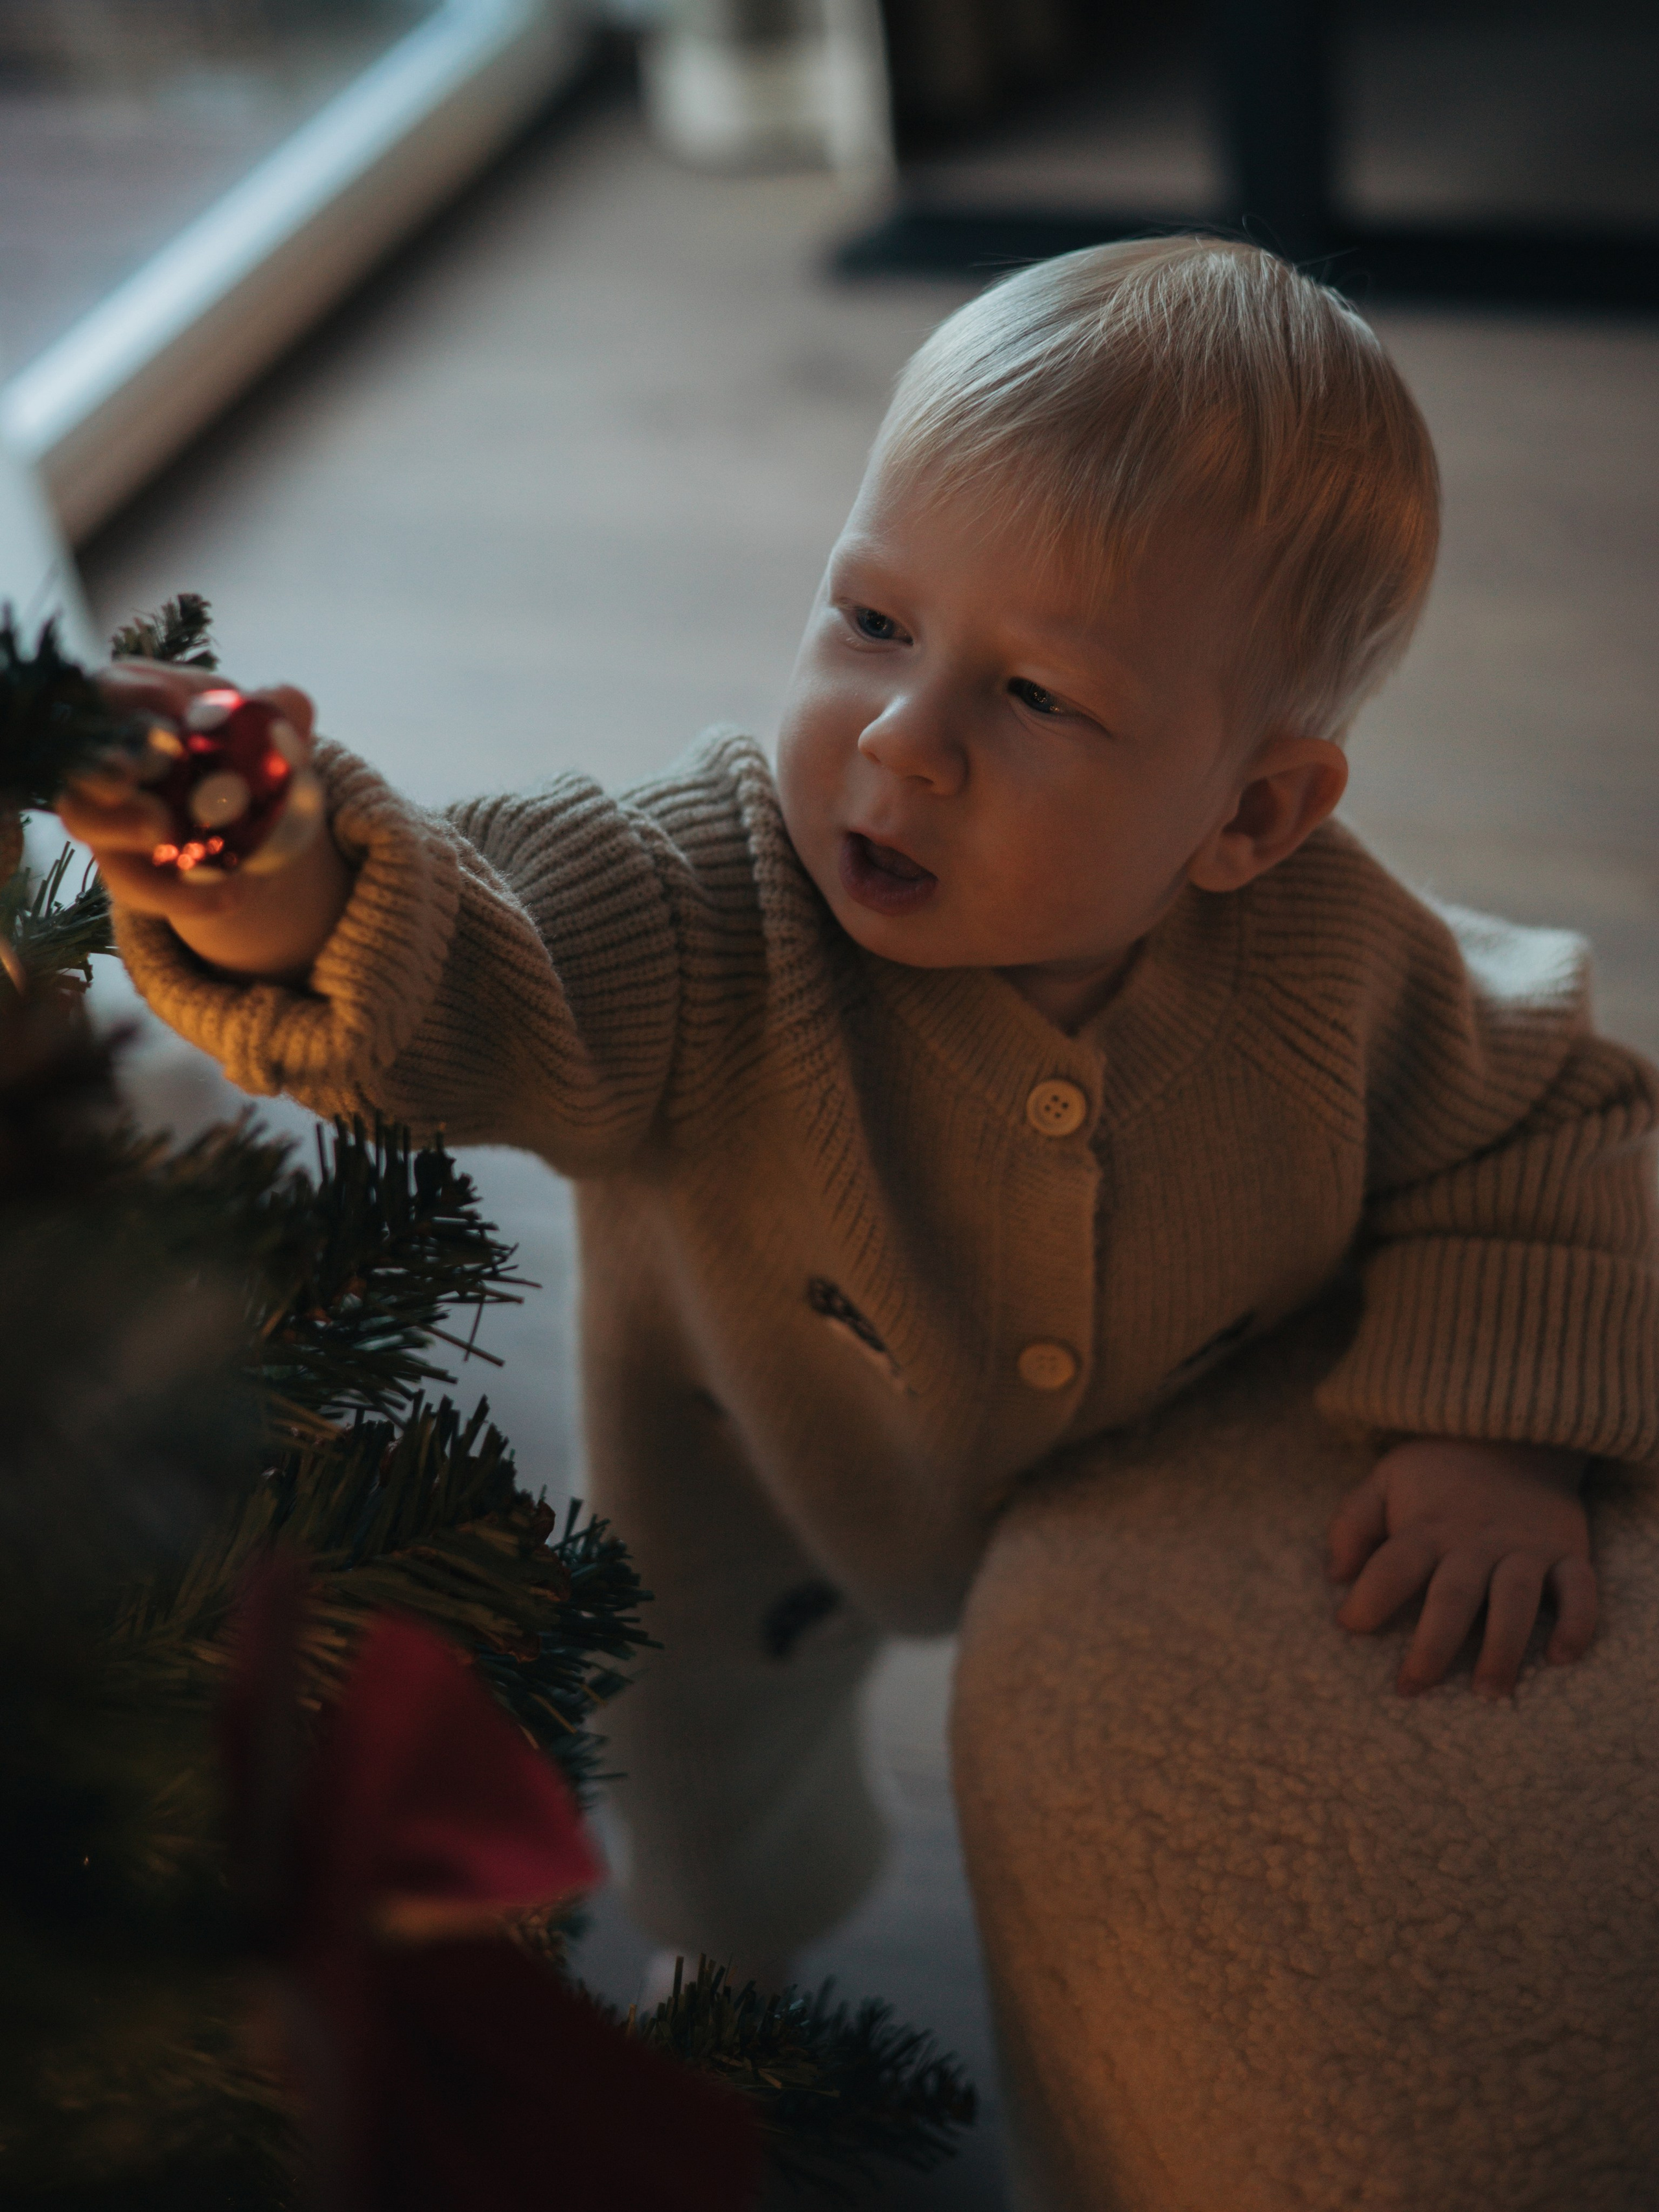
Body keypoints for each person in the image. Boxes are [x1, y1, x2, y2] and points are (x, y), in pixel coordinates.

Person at [62, 237, 1658, 2066]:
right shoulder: (712, 900)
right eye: (874, 623)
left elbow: (1553, 1109)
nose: (902, 743)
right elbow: (470, 957)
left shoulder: (1338, 968)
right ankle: (751, 1965)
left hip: (1168, 1463)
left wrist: (1493, 1429)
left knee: (1194, 1859)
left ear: (1255, 812)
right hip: (749, 1473)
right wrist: (270, 870)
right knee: (705, 1759)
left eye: (1037, 697)